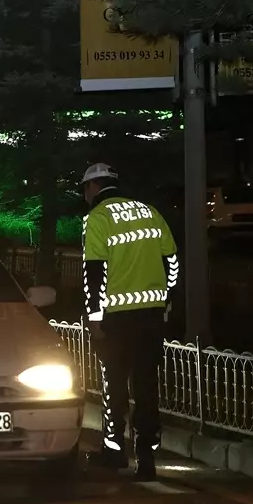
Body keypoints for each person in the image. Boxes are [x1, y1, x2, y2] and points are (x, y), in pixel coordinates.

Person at [80, 163, 179, 480]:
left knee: (115, 384)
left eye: (85, 190)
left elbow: (94, 274)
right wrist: (166, 298)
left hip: (116, 319)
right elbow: (172, 261)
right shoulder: (149, 212)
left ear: (93, 187)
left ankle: (113, 450)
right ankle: (147, 456)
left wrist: (94, 317)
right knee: (147, 385)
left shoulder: (98, 218)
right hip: (152, 316)